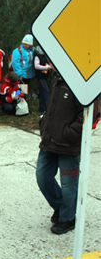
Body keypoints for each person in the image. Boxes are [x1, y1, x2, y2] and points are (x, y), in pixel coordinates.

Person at [36, 70, 84, 234]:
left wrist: (68, 133)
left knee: (69, 185)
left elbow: (88, 116)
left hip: (68, 145)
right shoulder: (57, 80)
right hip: (49, 141)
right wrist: (43, 124)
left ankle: (68, 218)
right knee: (42, 178)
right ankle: (61, 206)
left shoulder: (80, 83)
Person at [34, 45, 51, 113]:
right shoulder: (37, 56)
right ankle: (47, 108)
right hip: (40, 76)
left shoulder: (45, 56)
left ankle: (42, 108)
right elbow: (36, 66)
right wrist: (46, 68)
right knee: (46, 91)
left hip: (45, 76)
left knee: (43, 92)